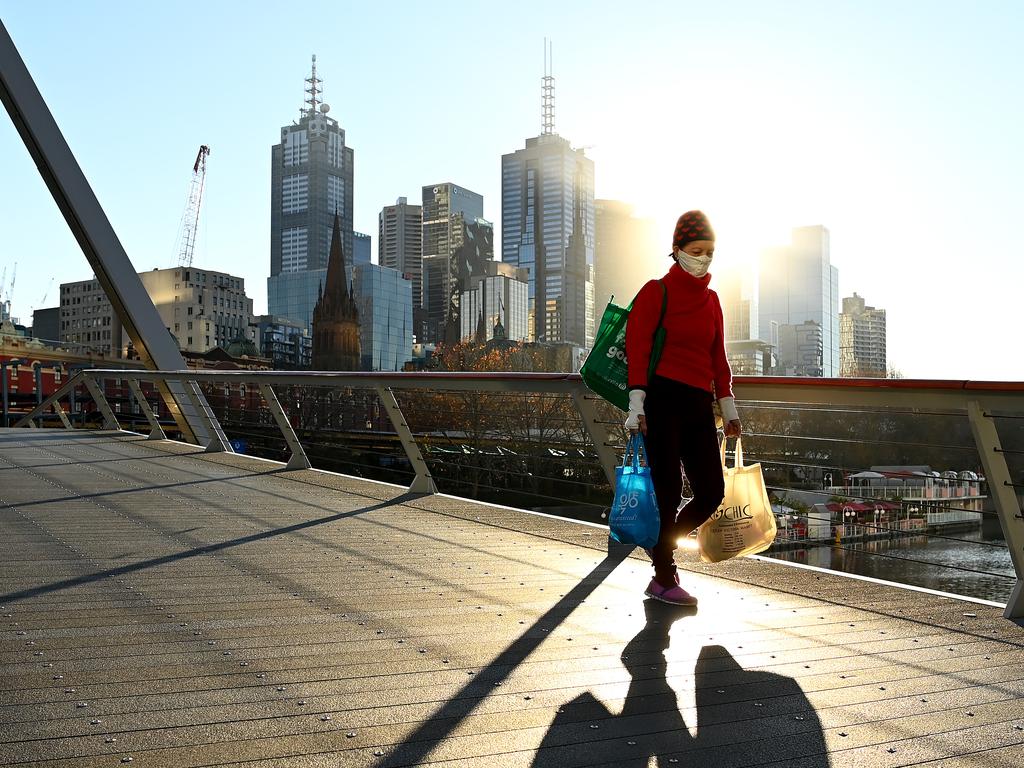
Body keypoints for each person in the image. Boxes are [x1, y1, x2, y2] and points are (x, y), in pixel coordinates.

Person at [624, 210, 741, 606]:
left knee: (711, 491)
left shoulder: (712, 301)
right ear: (677, 250)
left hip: (697, 404)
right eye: (697, 250)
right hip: (660, 399)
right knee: (668, 491)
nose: (704, 258)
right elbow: (637, 348)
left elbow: (718, 358)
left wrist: (729, 410)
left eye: (710, 251)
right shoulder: (657, 291)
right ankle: (663, 574)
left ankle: (661, 548)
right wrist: (636, 402)